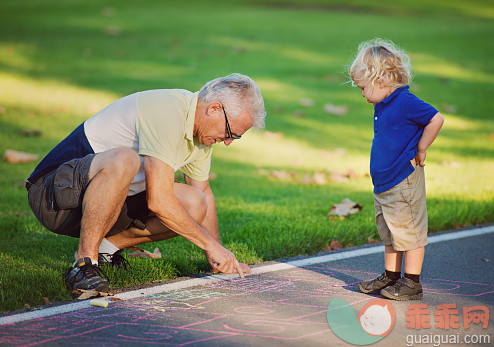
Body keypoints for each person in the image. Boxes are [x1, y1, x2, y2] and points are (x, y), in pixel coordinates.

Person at [26, 73, 266, 292]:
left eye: (235, 137)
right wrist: (210, 246)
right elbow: (159, 201)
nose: (228, 142)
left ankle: (106, 249)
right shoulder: (167, 112)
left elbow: (202, 192)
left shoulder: (201, 135)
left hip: (103, 204)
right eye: (230, 133)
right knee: (125, 160)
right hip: (53, 198)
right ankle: (84, 264)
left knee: (195, 202)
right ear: (214, 108)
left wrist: (216, 254)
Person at [349, 39, 444, 300]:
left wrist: (422, 148)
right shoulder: (383, 104)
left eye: (363, 87)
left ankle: (412, 282)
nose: (362, 94)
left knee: (409, 231)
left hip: (404, 179)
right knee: (390, 231)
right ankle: (391, 276)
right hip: (385, 183)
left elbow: (436, 118)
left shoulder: (404, 102)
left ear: (381, 79)